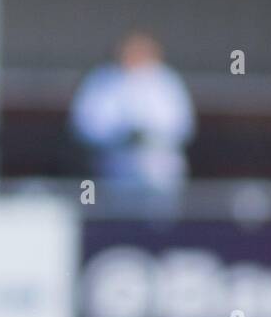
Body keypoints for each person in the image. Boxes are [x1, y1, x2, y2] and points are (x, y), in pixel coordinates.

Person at [69, 30, 196, 212]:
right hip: (114, 170)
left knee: (159, 221)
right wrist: (121, 136)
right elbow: (85, 126)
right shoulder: (102, 80)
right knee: (118, 220)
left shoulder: (167, 82)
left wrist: (150, 137)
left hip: (160, 170)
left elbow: (182, 126)